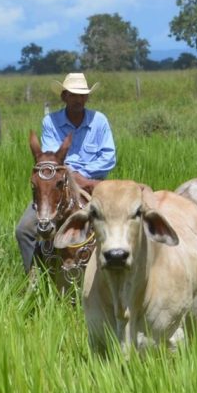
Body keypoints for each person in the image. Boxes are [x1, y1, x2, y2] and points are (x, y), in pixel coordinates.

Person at [16, 72, 117, 277]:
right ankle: (35, 279)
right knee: (25, 229)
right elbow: (52, 159)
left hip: (93, 181)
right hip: (58, 185)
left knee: (115, 222)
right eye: (73, 95)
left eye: (82, 95)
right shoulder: (50, 122)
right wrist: (73, 177)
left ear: (87, 97)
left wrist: (85, 178)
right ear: (64, 97)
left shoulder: (99, 121)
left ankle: (107, 275)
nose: (78, 99)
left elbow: (108, 157)